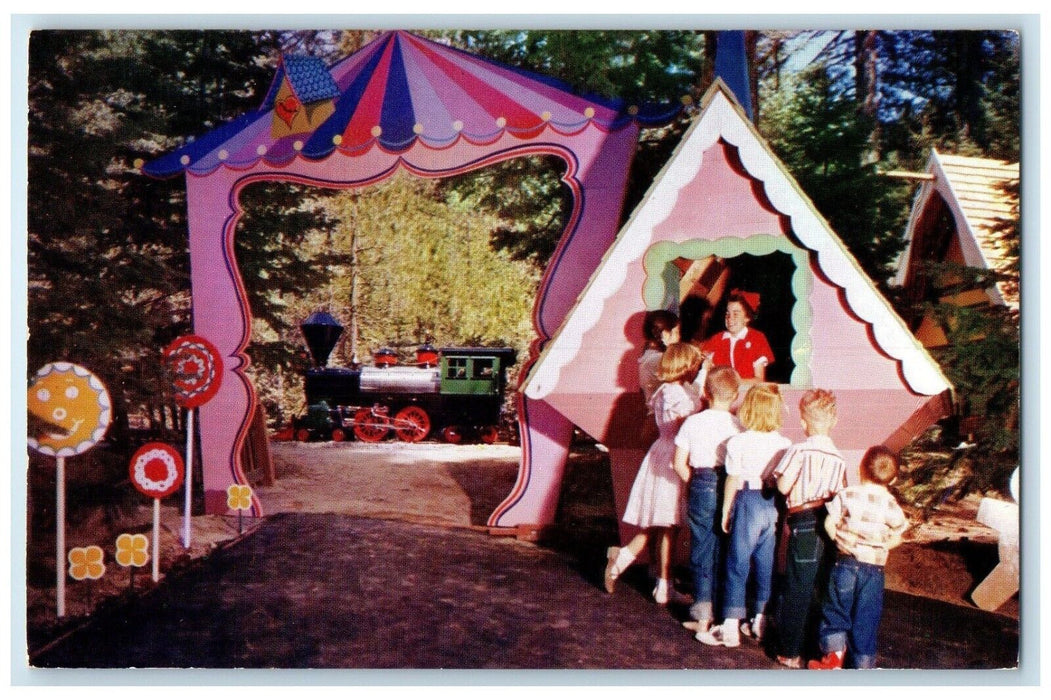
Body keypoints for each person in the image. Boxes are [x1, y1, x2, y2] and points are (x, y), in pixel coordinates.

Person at [606, 342, 705, 605]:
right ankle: (634, 565)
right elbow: (689, 419)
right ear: (685, 367)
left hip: (661, 451)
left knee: (664, 523)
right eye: (695, 366)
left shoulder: (664, 390)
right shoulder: (678, 395)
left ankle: (660, 582)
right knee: (666, 523)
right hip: (673, 456)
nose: (697, 370)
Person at [697, 383, 791, 648]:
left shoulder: (738, 441)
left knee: (737, 563)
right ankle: (759, 618)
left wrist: (726, 509)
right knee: (765, 563)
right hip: (772, 502)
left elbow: (733, 479)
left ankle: (729, 626)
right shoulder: (784, 443)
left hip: (747, 500)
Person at [808, 446, 910, 670]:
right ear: (892, 480)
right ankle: (862, 667)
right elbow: (900, 534)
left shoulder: (847, 494)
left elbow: (829, 523)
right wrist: (885, 544)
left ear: (861, 469)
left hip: (845, 562)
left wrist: (838, 540)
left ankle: (832, 659)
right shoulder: (891, 505)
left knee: (836, 610)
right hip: (873, 570)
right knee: (866, 619)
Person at [769, 389, 848, 668]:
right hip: (827, 522)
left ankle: (789, 651)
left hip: (803, 523)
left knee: (797, 586)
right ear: (834, 421)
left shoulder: (798, 450)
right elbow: (841, 497)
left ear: (803, 423)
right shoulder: (839, 459)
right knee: (821, 586)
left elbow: (782, 485)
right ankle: (820, 649)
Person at [672, 365, 743, 633]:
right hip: (729, 484)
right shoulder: (738, 425)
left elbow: (679, 463)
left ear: (705, 392)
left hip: (700, 481)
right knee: (726, 549)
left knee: (702, 548)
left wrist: (697, 484)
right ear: (735, 395)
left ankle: (703, 615)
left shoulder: (693, 422)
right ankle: (727, 616)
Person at [701, 290, 774, 384]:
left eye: (735, 314)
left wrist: (735, 383)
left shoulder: (757, 338)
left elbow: (759, 380)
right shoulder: (717, 339)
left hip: (746, 392)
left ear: (747, 317)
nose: (730, 318)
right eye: (727, 314)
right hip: (720, 393)